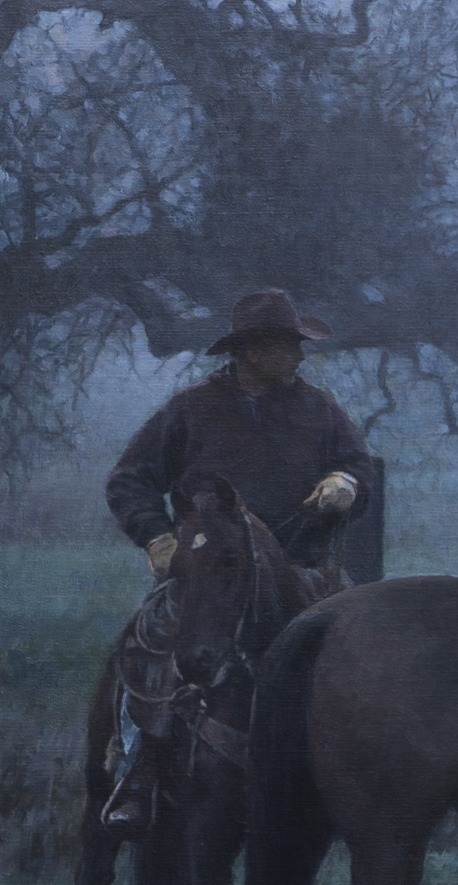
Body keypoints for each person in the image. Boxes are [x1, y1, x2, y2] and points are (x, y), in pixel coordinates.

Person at [100, 289, 371, 837]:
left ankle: (366, 777)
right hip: (207, 571)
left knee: (366, 651)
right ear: (251, 350)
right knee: (148, 644)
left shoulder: (319, 409)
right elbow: (129, 481)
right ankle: (139, 773)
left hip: (303, 565)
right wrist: (157, 539)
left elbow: (357, 463)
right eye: (286, 345)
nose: (298, 354)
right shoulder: (190, 410)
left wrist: (346, 483)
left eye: (298, 344)